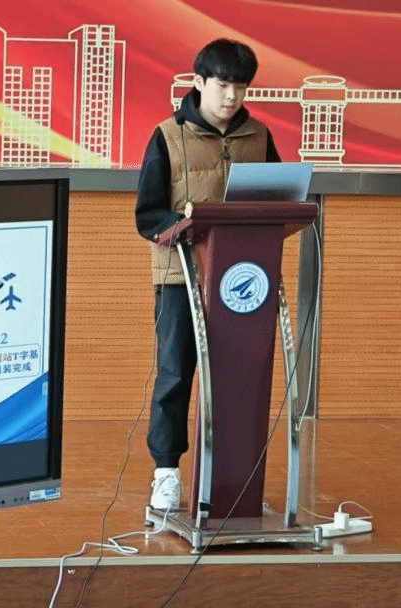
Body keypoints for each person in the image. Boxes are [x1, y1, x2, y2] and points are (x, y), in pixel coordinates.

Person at [134, 38, 281, 510]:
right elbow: (147, 214)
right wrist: (183, 228)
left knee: (238, 376)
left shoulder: (259, 136)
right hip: (181, 277)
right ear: (199, 82)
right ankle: (166, 472)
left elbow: (280, 201)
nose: (232, 96)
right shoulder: (166, 136)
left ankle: (229, 475)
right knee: (176, 374)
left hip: (242, 281)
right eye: (222, 85)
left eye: (241, 87)